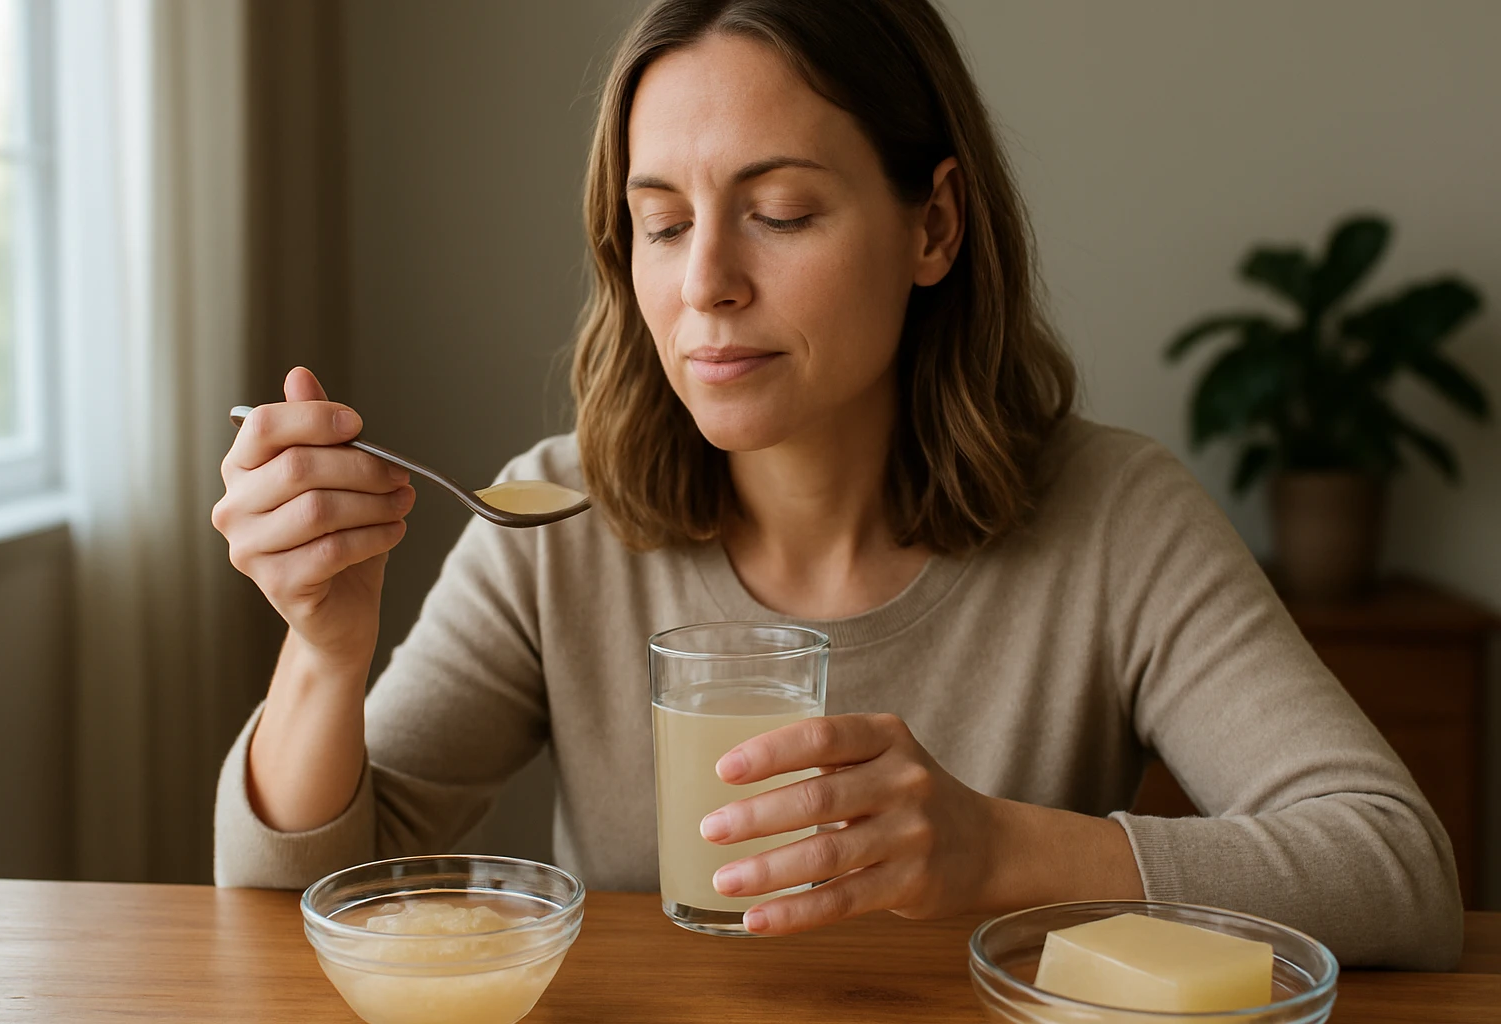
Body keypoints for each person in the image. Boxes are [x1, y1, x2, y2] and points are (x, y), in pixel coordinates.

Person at [211, 0, 1461, 968]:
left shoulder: (1118, 518)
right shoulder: (552, 523)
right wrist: (323, 648)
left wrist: (998, 847)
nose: (705, 283)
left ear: (934, 226)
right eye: (660, 221)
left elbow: (1396, 870)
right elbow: (282, 905)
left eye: (783, 212)